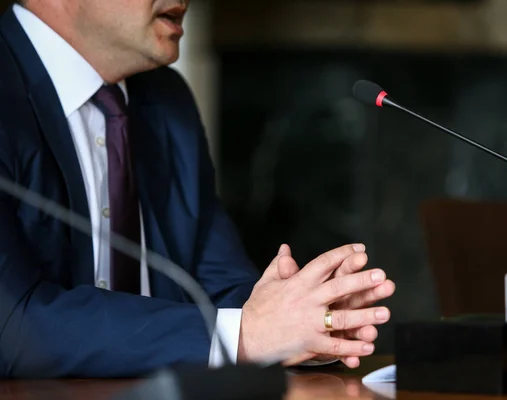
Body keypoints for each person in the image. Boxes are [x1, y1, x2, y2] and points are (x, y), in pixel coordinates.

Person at [0, 0, 396, 378]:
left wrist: (304, 323)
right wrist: (246, 336)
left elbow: (222, 289)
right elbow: (11, 323)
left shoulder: (166, 101)